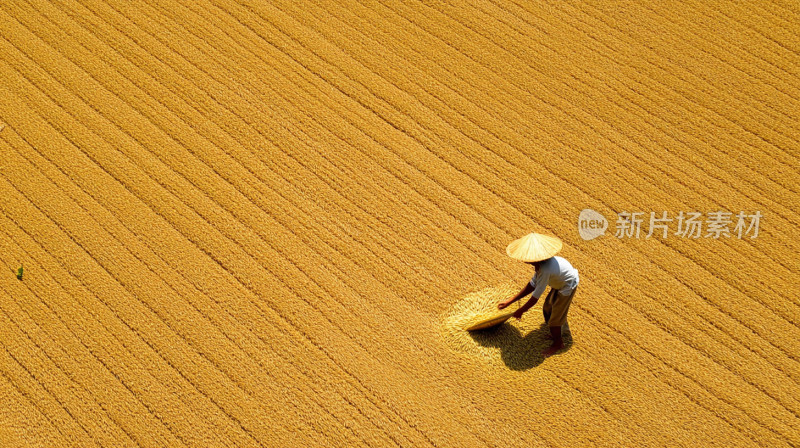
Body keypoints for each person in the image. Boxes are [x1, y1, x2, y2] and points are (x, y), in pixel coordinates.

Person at [498, 232, 579, 356]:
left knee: (554, 320)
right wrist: (510, 301)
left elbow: (535, 297)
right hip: (559, 283)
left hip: (567, 286)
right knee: (548, 308)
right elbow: (532, 285)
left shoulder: (545, 270)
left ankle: (558, 343)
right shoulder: (542, 265)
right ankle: (558, 331)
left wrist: (521, 310)